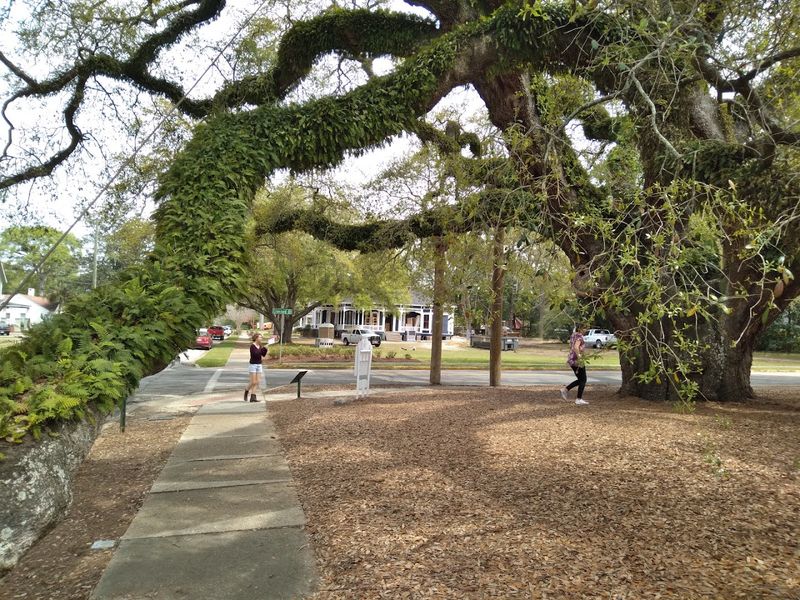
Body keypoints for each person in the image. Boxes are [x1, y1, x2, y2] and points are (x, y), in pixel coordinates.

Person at [561, 324, 589, 405]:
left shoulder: (573, 335)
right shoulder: (579, 336)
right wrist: (580, 357)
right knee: (583, 380)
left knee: (581, 380)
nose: (586, 330)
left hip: (571, 360)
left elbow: (572, 346)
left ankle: (565, 389)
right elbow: (576, 347)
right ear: (580, 328)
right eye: (585, 328)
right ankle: (578, 399)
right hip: (577, 361)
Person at [245, 332, 268, 402]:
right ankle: (246, 390)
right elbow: (255, 354)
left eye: (261, 337)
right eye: (260, 337)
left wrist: (265, 349)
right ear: (256, 338)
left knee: (257, 381)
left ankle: (253, 397)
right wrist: (262, 349)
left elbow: (263, 355)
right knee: (253, 382)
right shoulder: (252, 346)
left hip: (259, 365)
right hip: (253, 365)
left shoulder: (260, 346)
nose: (261, 338)